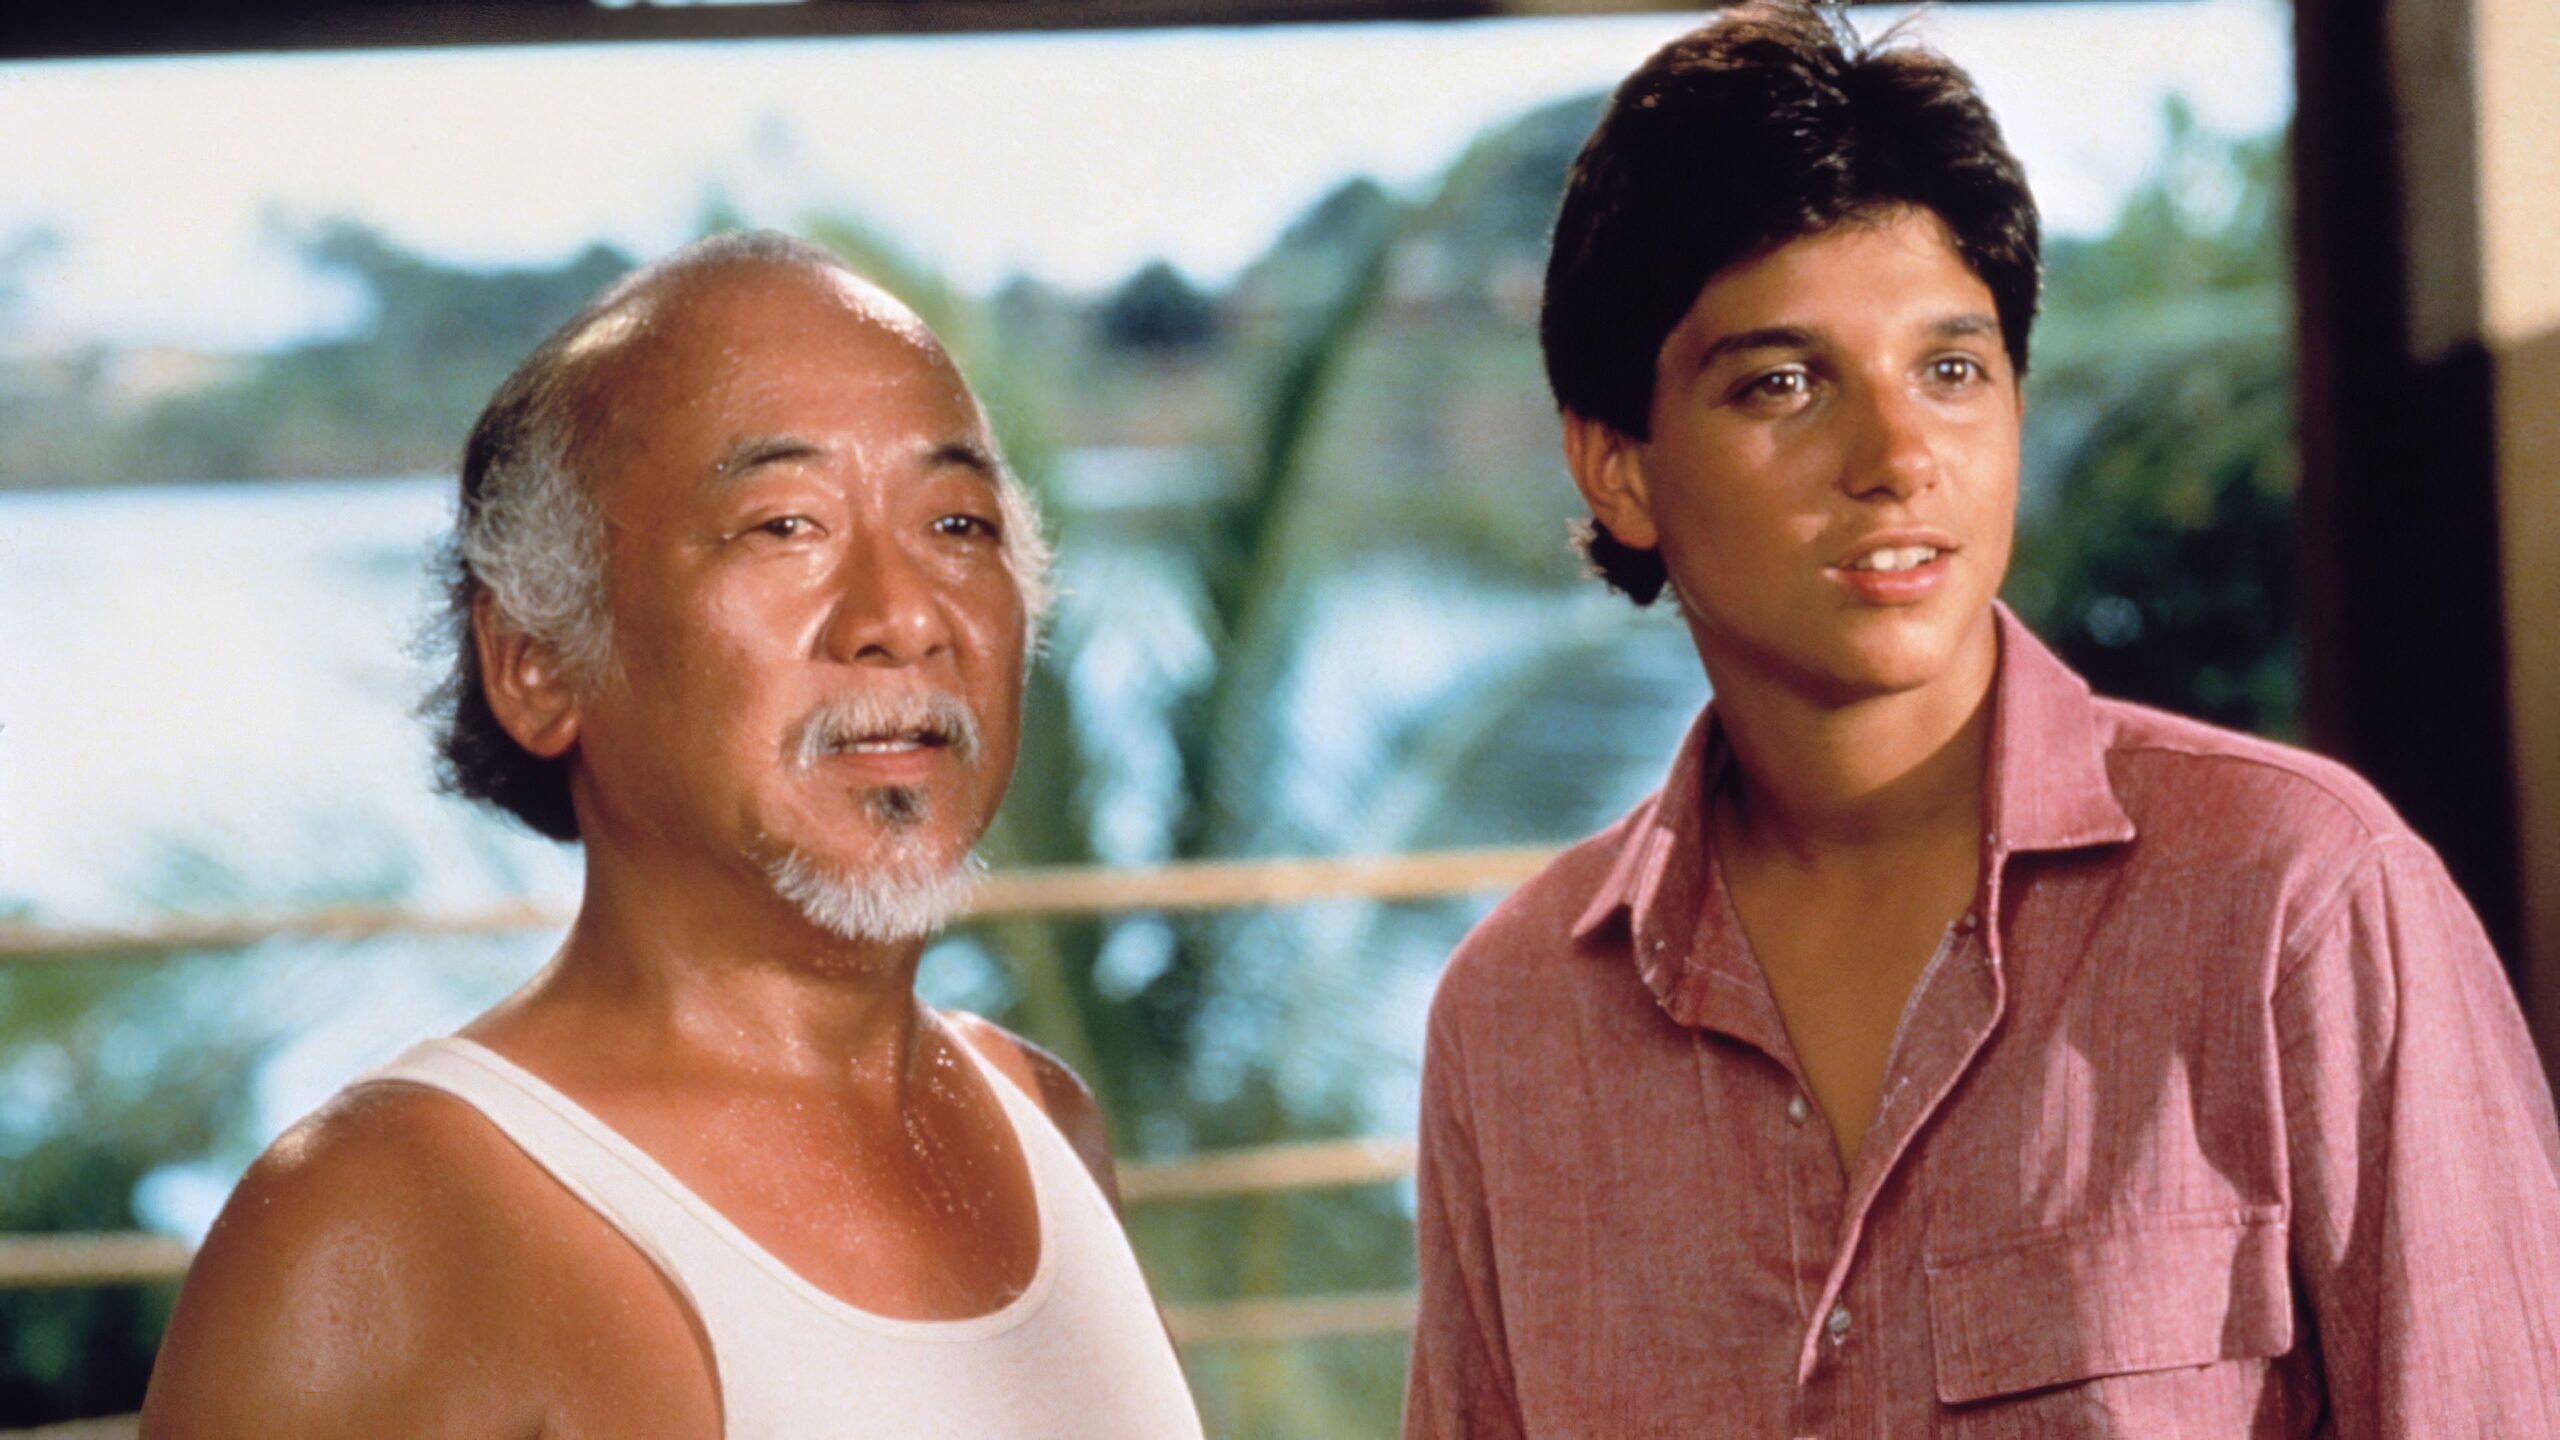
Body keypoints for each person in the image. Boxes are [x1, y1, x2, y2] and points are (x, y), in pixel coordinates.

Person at [1403, 5, 2560, 1436]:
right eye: (1784, 383)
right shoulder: (1514, 1022)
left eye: (1951, 371)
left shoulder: (2301, 901)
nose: (1898, 457)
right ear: (1619, 468)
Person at [142, 231, 1204, 1439]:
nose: (905, 615)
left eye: (958, 525)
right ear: (536, 660)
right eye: (784, 525)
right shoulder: (382, 1232)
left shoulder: (1043, 1125)